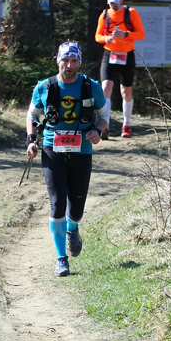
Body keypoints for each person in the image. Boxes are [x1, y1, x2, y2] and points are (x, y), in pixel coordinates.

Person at [26, 42, 110, 277]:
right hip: (52, 149)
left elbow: (104, 115)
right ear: (58, 61)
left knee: (77, 209)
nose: (69, 65)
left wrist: (98, 131)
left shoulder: (91, 87)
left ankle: (73, 229)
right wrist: (31, 141)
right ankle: (61, 259)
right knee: (57, 203)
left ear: (79, 63)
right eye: (65, 60)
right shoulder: (44, 86)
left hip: (82, 151)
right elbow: (32, 115)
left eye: (74, 61)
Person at [94, 0, 145, 138]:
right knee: (105, 88)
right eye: (111, 3)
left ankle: (127, 125)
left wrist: (125, 34)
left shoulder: (131, 13)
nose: (114, 6)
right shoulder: (104, 15)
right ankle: (105, 124)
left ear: (121, 0)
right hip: (110, 54)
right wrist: (106, 38)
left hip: (127, 54)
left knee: (126, 92)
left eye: (116, 3)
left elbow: (141, 34)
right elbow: (97, 36)